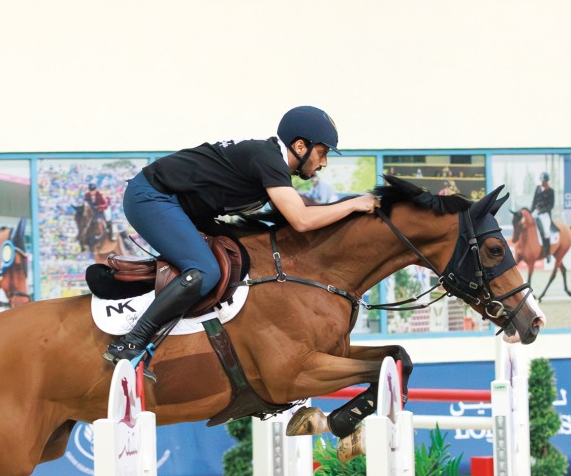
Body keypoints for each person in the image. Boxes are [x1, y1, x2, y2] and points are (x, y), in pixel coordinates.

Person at [102, 106, 379, 373]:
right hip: (151, 197)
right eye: (322, 152)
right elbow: (302, 220)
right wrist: (355, 204)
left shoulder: (271, 160)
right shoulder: (270, 160)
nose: (323, 163)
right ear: (299, 146)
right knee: (205, 271)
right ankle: (131, 342)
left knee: (245, 254)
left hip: (180, 205)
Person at [531, 172, 557, 265]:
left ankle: (548, 253)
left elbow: (551, 205)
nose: (543, 182)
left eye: (544, 181)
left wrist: (542, 211)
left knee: (546, 232)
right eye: (542, 180)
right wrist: (531, 211)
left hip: (545, 214)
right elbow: (534, 201)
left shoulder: (551, 191)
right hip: (536, 211)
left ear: (547, 181)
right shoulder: (538, 189)